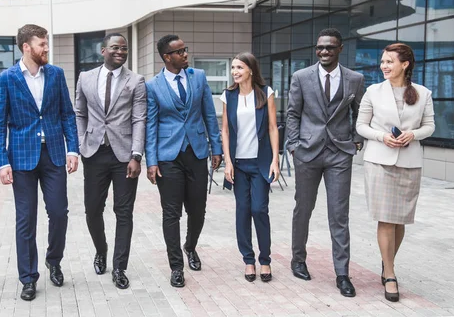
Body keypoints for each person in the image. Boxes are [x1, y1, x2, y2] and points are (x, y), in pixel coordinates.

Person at [0, 24, 79, 301]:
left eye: (47, 43)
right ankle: (28, 278)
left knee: (59, 212)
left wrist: (73, 150)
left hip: (53, 154)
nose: (47, 49)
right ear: (26, 47)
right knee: (25, 220)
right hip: (21, 158)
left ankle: (54, 260)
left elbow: (67, 114)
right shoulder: (6, 79)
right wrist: (2, 162)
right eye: (42, 44)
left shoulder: (56, 74)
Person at [286, 28, 364, 297]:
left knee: (339, 215)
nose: (324, 52)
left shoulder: (355, 79)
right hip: (307, 152)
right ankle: (298, 259)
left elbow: (360, 113)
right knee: (303, 209)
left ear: (340, 49)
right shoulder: (301, 77)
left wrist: (355, 139)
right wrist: (294, 146)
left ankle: (342, 274)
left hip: (339, 153)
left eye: (329, 48)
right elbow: (293, 114)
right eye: (320, 47)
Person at [356, 43, 434, 302]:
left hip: (410, 162)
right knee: (386, 219)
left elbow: (430, 126)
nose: (384, 66)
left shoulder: (423, 93)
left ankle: (386, 260)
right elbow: (361, 126)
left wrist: (414, 134)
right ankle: (390, 273)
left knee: (400, 220)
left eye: (390, 61)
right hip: (379, 161)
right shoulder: (373, 91)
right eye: (383, 62)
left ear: (405, 64)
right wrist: (381, 136)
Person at [145, 34, 222, 288]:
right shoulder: (153, 86)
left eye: (185, 49)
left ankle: (190, 246)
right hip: (168, 156)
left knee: (198, 210)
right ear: (167, 57)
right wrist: (151, 161)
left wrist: (216, 148)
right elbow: (151, 126)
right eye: (180, 51)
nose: (186, 54)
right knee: (171, 213)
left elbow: (209, 114)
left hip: (197, 152)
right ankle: (176, 266)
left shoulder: (198, 77)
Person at [75, 33, 146, 289]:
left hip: (124, 156)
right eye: (115, 47)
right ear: (103, 50)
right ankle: (101, 250)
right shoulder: (85, 78)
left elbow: (139, 119)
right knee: (92, 209)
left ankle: (119, 267)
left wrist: (136, 155)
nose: (121, 52)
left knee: (123, 212)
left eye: (124, 49)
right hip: (94, 154)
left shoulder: (136, 81)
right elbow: (79, 113)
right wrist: (82, 143)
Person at [220, 52, 280, 283]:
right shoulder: (229, 95)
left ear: (251, 70)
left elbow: (273, 128)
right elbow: (225, 130)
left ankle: (265, 259)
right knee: (242, 211)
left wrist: (275, 159)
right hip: (239, 164)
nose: (235, 72)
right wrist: (227, 161)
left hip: (260, 162)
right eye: (233, 67)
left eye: (240, 68)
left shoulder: (266, 93)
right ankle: (248, 260)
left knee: (259, 209)